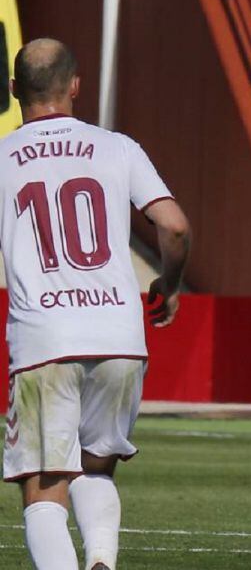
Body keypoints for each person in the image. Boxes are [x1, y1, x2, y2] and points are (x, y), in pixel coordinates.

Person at [1, 38, 191, 570]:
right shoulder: (118, 147)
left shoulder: (2, 158)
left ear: (14, 90)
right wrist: (169, 285)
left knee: (44, 490)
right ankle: (102, 558)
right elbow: (173, 226)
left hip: (44, 342)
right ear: (75, 86)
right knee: (96, 469)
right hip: (119, 335)